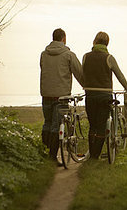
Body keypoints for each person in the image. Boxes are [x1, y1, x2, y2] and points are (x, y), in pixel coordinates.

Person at [82, 31, 127, 159]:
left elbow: (83, 73)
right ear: (107, 43)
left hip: (90, 95)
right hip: (104, 96)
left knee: (92, 126)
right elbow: (119, 75)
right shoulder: (108, 58)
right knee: (101, 126)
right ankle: (95, 155)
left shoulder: (85, 57)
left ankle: (92, 153)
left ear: (94, 42)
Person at [39, 28, 84, 162]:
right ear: (64, 39)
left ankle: (44, 152)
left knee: (47, 123)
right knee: (56, 126)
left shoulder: (43, 54)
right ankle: (52, 156)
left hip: (46, 94)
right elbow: (79, 73)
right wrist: (86, 85)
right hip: (61, 96)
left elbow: (43, 68)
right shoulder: (68, 54)